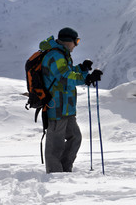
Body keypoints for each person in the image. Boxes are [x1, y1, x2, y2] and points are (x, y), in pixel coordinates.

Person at [40, 27, 103, 173]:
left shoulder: (62, 54)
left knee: (75, 137)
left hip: (66, 107)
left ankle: (65, 170)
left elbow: (66, 72)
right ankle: (55, 175)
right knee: (55, 145)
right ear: (69, 41)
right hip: (55, 107)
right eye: (76, 41)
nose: (77, 44)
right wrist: (85, 78)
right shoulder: (55, 55)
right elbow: (64, 77)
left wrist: (81, 68)